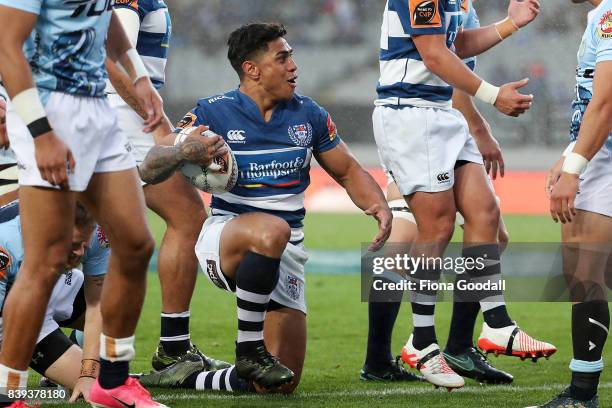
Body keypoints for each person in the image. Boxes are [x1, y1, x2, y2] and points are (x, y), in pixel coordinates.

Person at [136, 22, 392, 394]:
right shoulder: (214, 112)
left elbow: (349, 170)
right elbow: (150, 164)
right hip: (226, 238)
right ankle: (248, 349)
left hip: (287, 252)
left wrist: (378, 206)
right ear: (251, 69)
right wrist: (182, 151)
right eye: (282, 57)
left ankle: (188, 378)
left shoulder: (309, 115)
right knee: (272, 229)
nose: (294, 66)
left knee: (279, 384)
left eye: (291, 57)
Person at [372, 0, 555, 389]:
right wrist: (492, 95)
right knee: (435, 228)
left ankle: (495, 323)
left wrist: (510, 24)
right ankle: (421, 342)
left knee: (486, 215)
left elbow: (456, 43)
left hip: (441, 113)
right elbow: (434, 53)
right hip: (410, 113)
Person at [0, 0, 173, 406]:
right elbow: (7, 46)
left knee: (135, 244)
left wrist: (140, 76)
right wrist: (41, 133)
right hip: (47, 109)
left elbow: (105, 17)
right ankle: (8, 395)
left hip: (97, 109)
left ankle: (111, 382)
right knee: (45, 262)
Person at [106, 0, 229, 372]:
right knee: (188, 218)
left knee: (93, 235)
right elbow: (111, 60)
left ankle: (78, 355)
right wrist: (156, 119)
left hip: (114, 115)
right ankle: (172, 350)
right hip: (124, 119)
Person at [538, 0, 612, 406]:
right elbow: (591, 102)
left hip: (606, 159)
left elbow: (606, 103)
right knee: (580, 275)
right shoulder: (597, 16)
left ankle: (583, 396)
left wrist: (575, 168)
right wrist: (570, 153)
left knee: (586, 274)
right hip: (596, 154)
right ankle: (582, 393)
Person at [0, 202, 108, 403]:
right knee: (7, 395)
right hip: (13, 306)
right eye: (74, 245)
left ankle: (74, 345)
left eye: (84, 244)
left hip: (54, 283)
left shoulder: (100, 230)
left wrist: (87, 372)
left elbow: (98, 304)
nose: (81, 253)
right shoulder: (7, 240)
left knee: (102, 386)